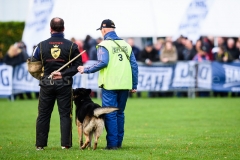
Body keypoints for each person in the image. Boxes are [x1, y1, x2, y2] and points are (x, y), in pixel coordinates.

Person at [77, 19, 138, 150]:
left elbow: (103, 62)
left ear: (103, 30)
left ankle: (112, 145)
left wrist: (86, 69)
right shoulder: (126, 45)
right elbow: (134, 65)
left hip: (110, 84)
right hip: (125, 83)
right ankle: (118, 143)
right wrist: (134, 84)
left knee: (110, 113)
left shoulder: (104, 44)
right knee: (120, 113)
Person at [31, 17, 82, 150]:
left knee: (43, 115)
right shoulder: (72, 46)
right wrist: (63, 74)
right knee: (65, 114)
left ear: (50, 29)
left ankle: (40, 145)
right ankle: (65, 145)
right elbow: (78, 66)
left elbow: (33, 67)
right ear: (63, 28)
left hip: (46, 85)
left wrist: (44, 77)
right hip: (64, 85)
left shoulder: (40, 46)